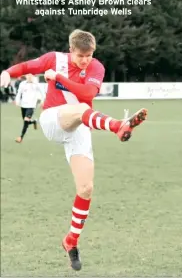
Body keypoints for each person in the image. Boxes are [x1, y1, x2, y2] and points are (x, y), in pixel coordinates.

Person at [0, 29, 148, 271]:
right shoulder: (54, 58)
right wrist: (7, 72)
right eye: (81, 56)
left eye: (89, 55)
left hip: (80, 125)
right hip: (53, 119)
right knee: (79, 109)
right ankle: (116, 126)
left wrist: (58, 78)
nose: (86, 61)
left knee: (86, 188)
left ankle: (70, 241)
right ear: (71, 51)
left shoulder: (96, 66)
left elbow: (88, 93)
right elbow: (29, 66)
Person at [15, 74, 45, 143]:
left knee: (26, 121)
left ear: (33, 76)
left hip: (31, 105)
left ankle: (21, 137)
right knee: (26, 121)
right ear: (25, 76)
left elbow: (42, 92)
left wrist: (43, 102)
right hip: (23, 105)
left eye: (31, 75)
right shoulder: (22, 84)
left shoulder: (36, 84)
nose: (29, 77)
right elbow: (19, 93)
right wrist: (17, 101)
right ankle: (34, 121)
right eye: (28, 75)